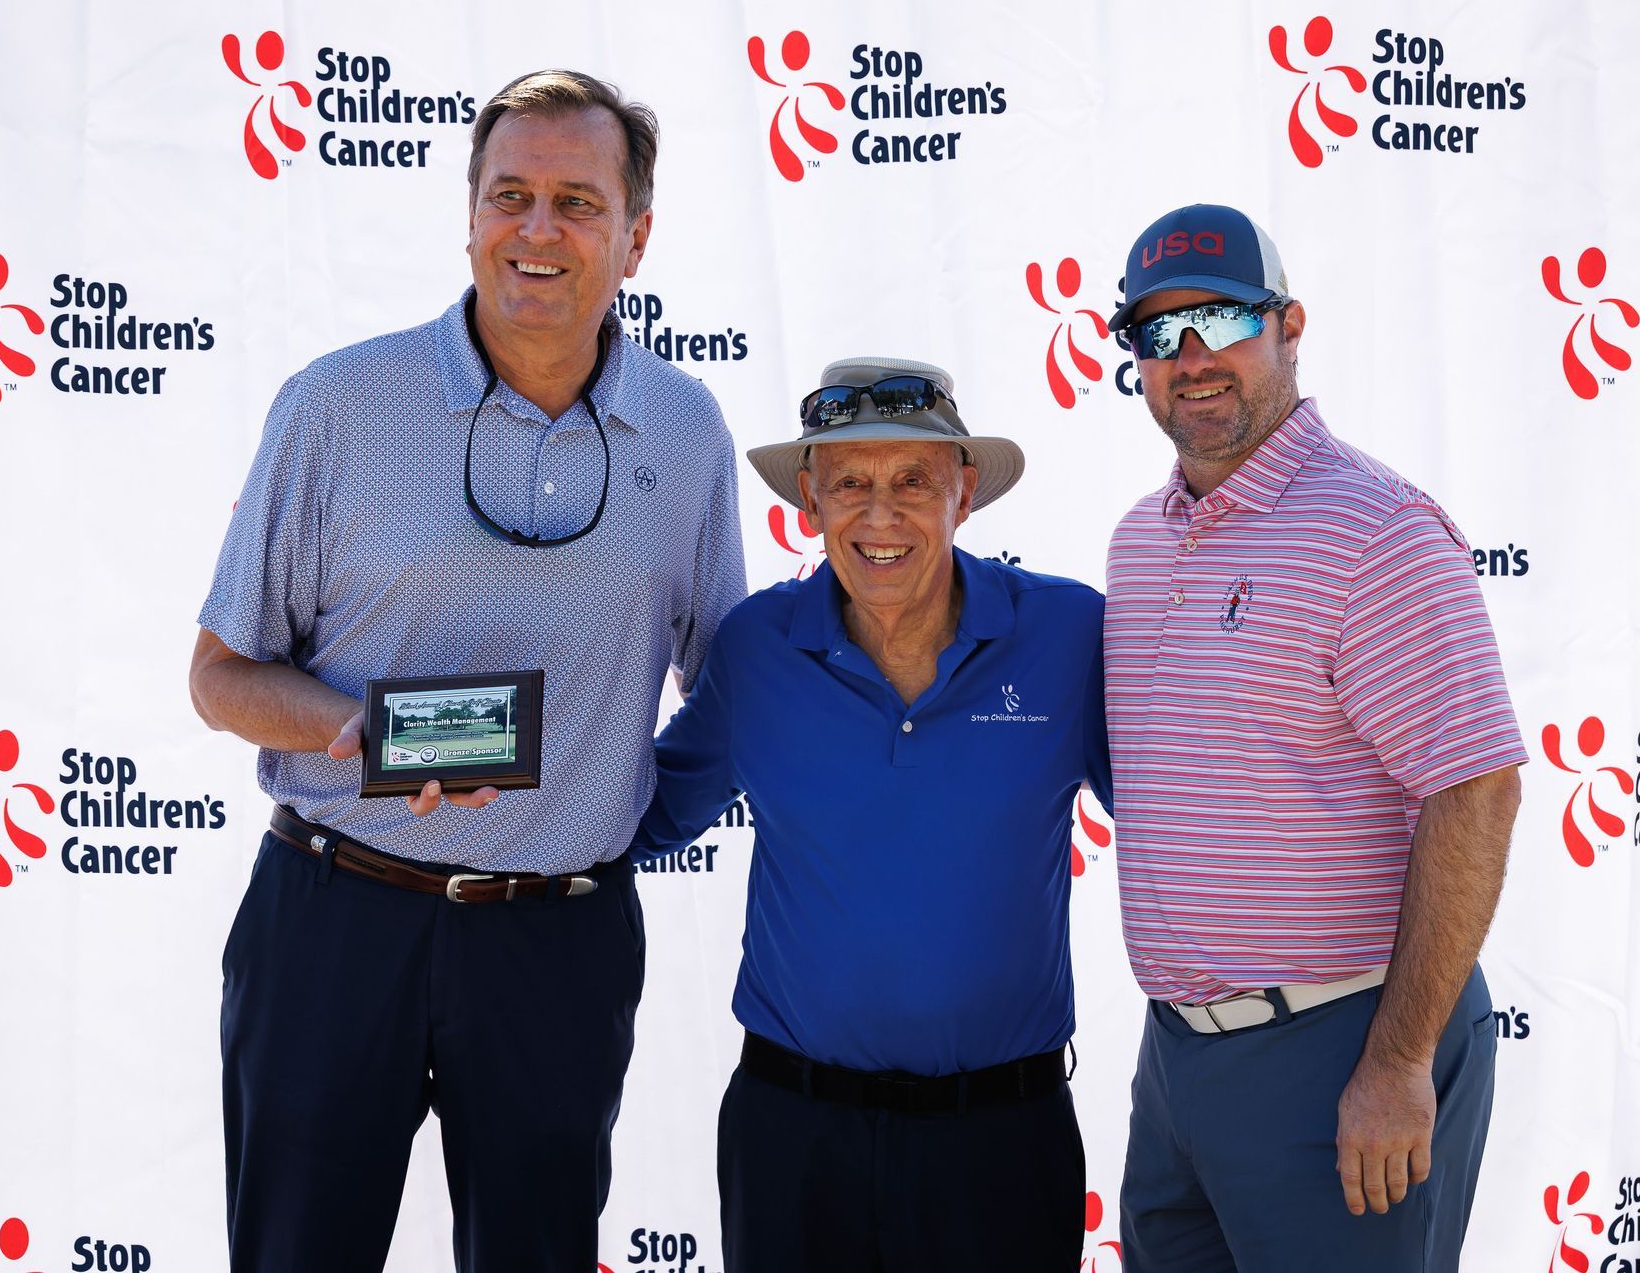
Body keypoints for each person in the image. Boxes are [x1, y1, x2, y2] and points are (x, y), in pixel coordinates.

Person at [188, 69, 746, 1273]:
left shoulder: (688, 429)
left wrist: (617, 815)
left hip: (558, 940)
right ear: (471, 214)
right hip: (335, 916)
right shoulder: (337, 404)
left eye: (578, 202)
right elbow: (222, 673)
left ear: (636, 237)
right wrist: (353, 729)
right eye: (510, 195)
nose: (538, 228)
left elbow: (729, 683)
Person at [1102, 203, 1526, 1271]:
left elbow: (1476, 789)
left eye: (1220, 319)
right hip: (1179, 1059)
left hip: (1345, 1048)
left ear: (1288, 325)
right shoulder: (1139, 542)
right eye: (1157, 333)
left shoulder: (1375, 529)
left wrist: (1399, 1061)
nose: (1191, 357)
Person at [634, 357, 1111, 1271]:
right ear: (810, 500)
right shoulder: (758, 646)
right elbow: (640, 816)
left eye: (912, 482)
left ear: (963, 494)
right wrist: (475, 779)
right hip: (794, 1136)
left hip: (1002, 1139)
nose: (879, 516)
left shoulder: (1068, 634)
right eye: (850, 483)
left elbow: (1179, 816)